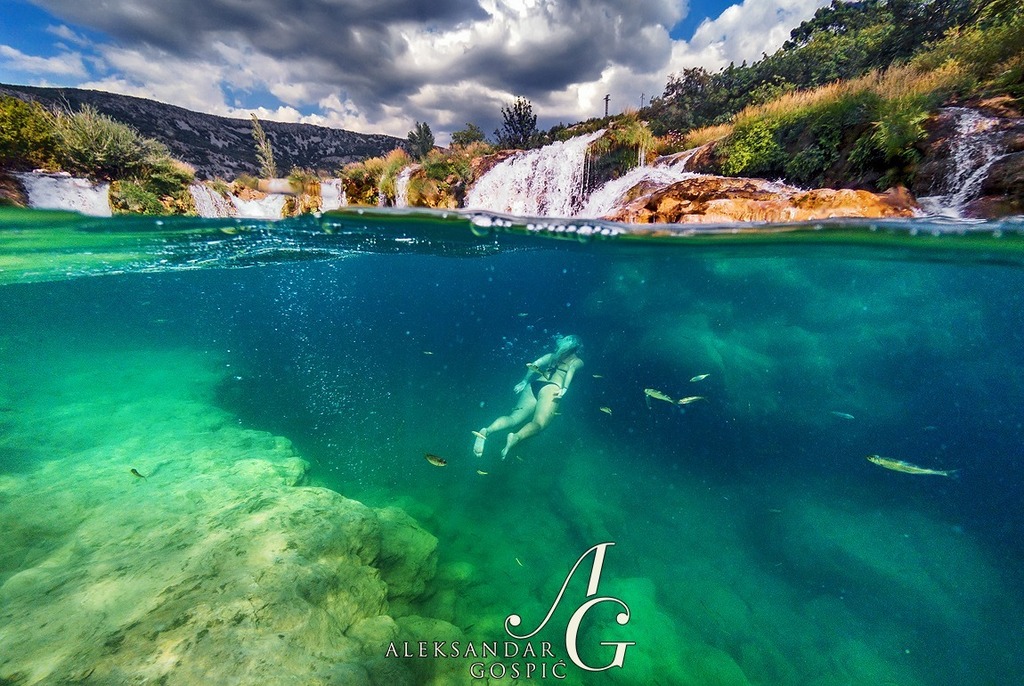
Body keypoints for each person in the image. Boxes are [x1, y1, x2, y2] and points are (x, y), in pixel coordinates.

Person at [474, 334, 584, 459]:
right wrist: (564, 388)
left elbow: (534, 365)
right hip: (552, 388)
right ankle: (516, 437)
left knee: (513, 419)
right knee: (539, 424)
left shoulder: (551, 356)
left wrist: (524, 381)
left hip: (534, 385)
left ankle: (486, 431)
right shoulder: (577, 361)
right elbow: (571, 370)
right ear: (578, 348)